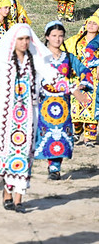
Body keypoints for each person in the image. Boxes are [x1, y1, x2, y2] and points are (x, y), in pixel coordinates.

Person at [0, 24, 51, 212]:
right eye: (20, 39)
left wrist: (73, 89)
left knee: (24, 154)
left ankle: (19, 198)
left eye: (27, 39)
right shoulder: (3, 60)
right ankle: (7, 192)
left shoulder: (36, 62)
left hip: (28, 117)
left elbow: (53, 77)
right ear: (13, 41)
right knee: (7, 152)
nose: (24, 42)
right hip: (5, 116)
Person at [35, 21, 91, 180]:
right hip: (43, 102)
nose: (57, 39)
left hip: (63, 104)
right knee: (44, 133)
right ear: (47, 37)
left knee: (59, 134)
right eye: (54, 35)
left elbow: (84, 71)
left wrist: (83, 85)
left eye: (60, 36)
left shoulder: (69, 58)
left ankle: (55, 168)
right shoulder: (39, 58)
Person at [66, 14, 99, 143]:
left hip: (95, 78)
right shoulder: (76, 41)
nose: (91, 26)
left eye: (94, 24)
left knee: (93, 105)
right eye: (89, 23)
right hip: (78, 76)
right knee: (76, 104)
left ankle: (89, 137)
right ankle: (77, 131)